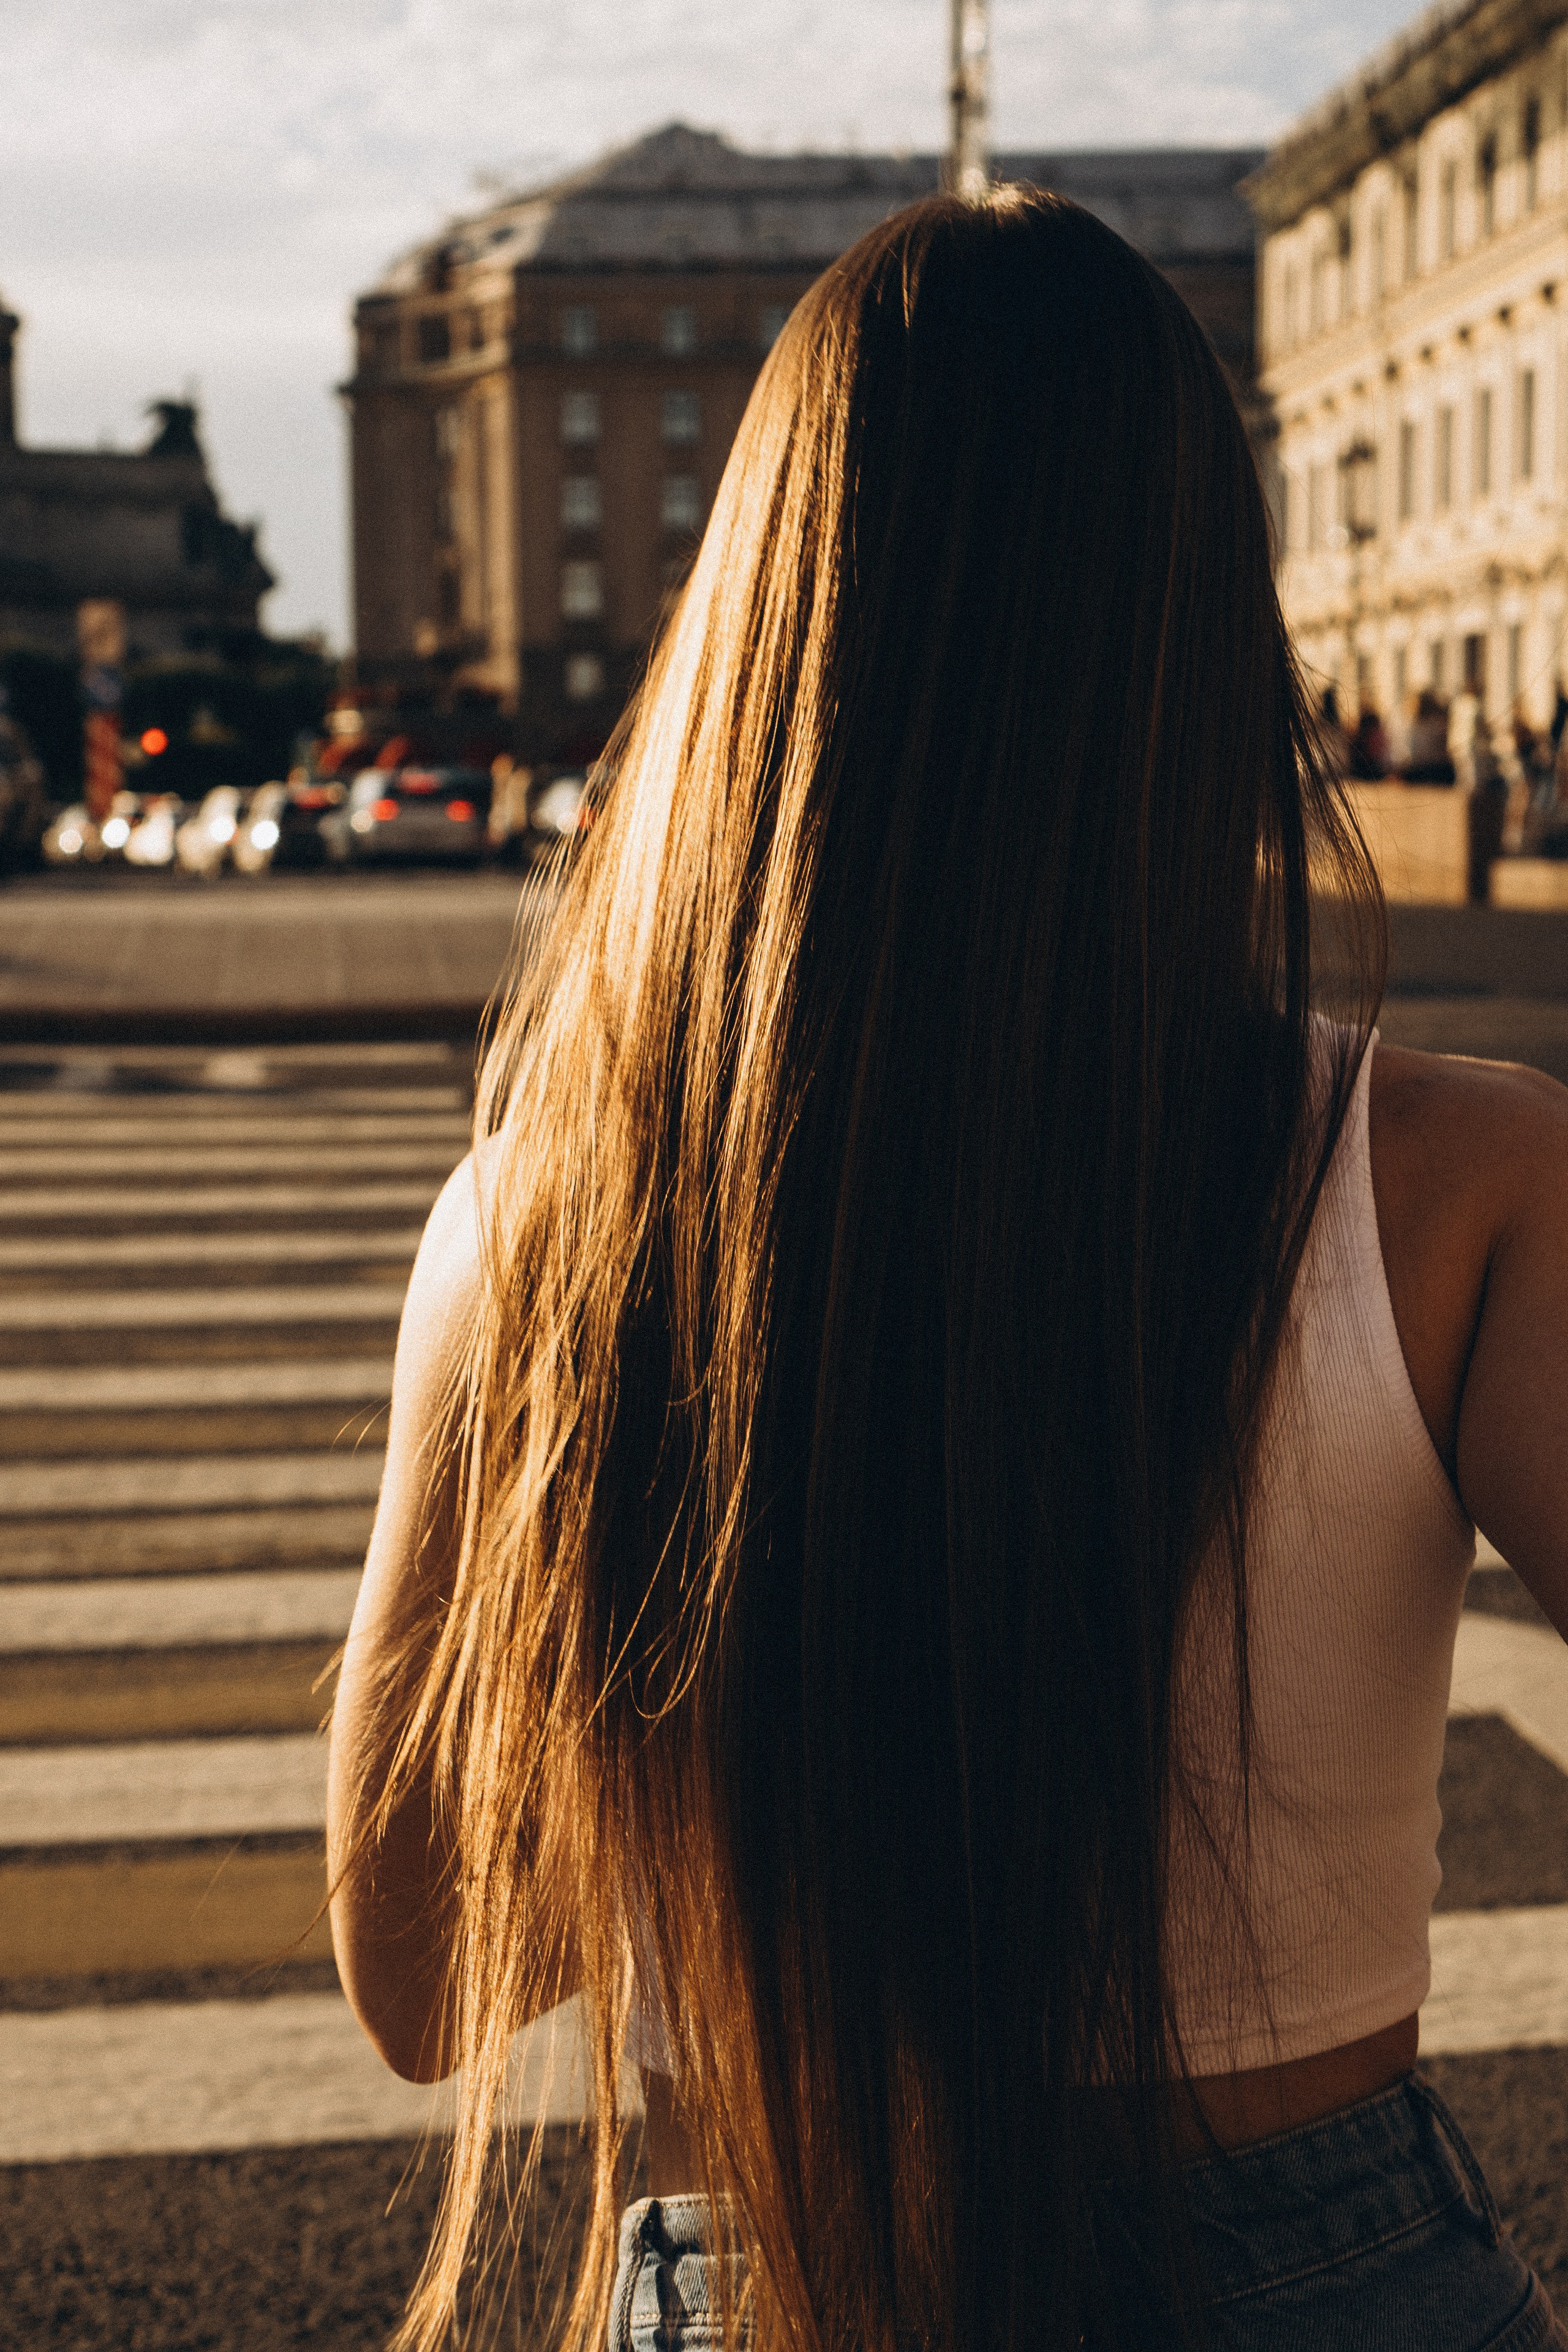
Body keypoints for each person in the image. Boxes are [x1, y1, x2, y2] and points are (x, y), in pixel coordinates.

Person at [327, 190, 1568, 2352]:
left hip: (763, 2267)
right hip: (1320, 2273)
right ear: (1203, 635)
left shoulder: (542, 1221)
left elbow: (423, 1979)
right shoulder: (1454, 1179)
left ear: (754, 633)